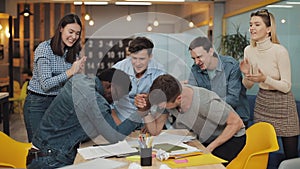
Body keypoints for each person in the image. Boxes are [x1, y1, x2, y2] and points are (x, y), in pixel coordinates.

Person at [26, 68, 141, 168]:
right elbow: (114, 136)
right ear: (109, 85)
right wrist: (140, 113)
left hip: (43, 155)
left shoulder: (80, 80)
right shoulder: (94, 100)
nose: (115, 101)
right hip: (50, 161)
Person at [135, 74, 246, 165]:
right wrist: (144, 109)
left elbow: (236, 123)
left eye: (163, 105)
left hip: (231, 138)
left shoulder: (205, 102)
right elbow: (155, 130)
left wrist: (209, 148)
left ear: (179, 98)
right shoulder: (168, 97)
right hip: (205, 139)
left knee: (204, 166)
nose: (160, 108)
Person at [240, 9, 299, 160]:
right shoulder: (249, 50)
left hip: (283, 103)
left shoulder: (279, 51)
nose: (252, 28)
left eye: (257, 24)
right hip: (263, 101)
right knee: (260, 151)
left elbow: (286, 86)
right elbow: (248, 86)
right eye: (251, 24)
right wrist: (248, 75)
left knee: (290, 155)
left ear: (268, 29)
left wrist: (264, 78)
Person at [23, 13, 87, 142]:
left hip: (58, 103)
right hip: (38, 104)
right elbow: (46, 85)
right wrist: (70, 72)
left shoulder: (72, 52)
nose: (74, 36)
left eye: (77, 33)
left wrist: (78, 77)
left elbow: (69, 82)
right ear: (61, 29)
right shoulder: (44, 49)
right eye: (71, 31)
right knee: (38, 147)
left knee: (56, 145)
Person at [188, 36, 250, 127]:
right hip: (210, 120)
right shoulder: (195, 69)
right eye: (193, 59)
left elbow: (232, 100)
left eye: (199, 57)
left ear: (211, 51)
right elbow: (193, 97)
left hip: (236, 119)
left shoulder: (231, 66)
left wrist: (207, 106)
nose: (197, 62)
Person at [111, 36, 165, 125]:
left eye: (142, 59)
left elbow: (163, 99)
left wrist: (149, 98)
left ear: (150, 56)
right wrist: (118, 126)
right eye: (134, 58)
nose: (138, 63)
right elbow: (107, 100)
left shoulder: (159, 71)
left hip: (148, 119)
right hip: (122, 119)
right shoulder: (118, 69)